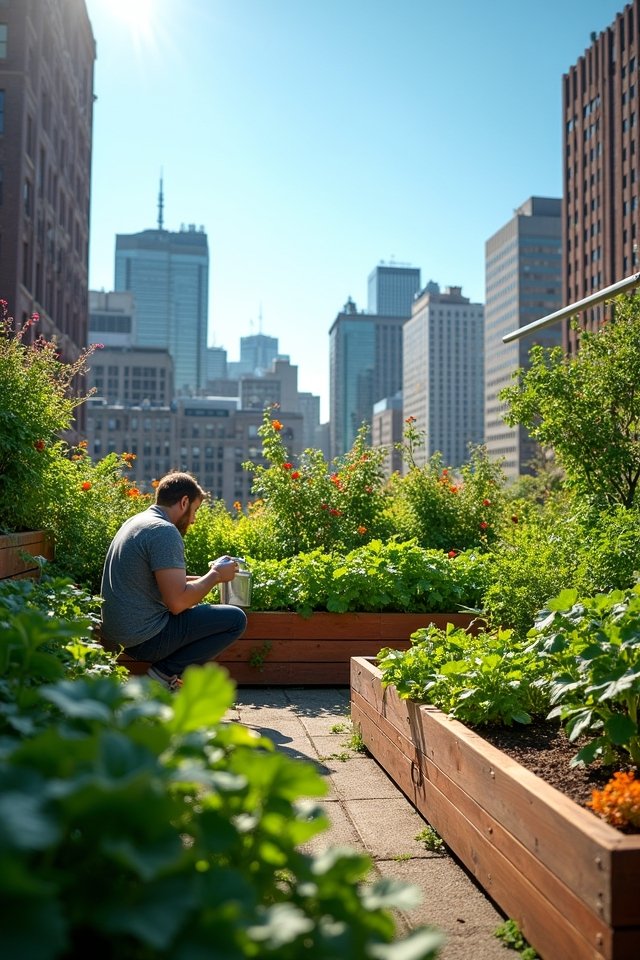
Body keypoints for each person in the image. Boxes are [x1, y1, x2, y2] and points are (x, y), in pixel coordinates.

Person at [100, 471, 247, 691]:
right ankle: (162, 676)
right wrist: (215, 575)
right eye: (195, 510)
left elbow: (155, 581)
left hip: (118, 633)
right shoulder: (164, 531)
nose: (194, 519)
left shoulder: (137, 522)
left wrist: (209, 578)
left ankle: (165, 678)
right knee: (235, 619)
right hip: (144, 638)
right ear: (184, 502)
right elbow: (177, 603)